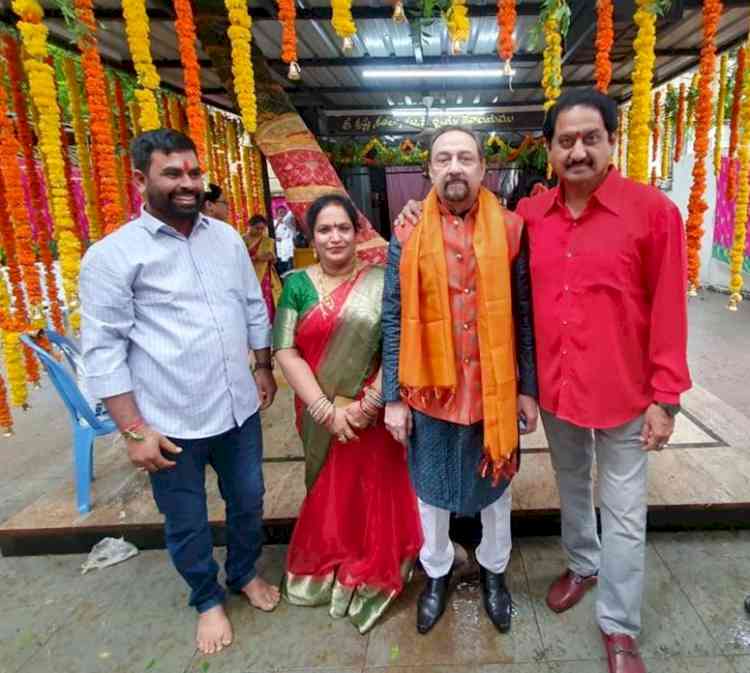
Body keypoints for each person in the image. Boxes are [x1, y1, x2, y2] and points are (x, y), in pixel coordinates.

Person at [79, 129, 280, 656]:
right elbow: (102, 351)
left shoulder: (227, 239)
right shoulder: (112, 256)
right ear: (142, 180)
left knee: (249, 500)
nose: (188, 183)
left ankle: (243, 573)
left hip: (237, 409)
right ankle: (206, 597)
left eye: (193, 171)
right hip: (169, 422)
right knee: (187, 518)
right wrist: (133, 431)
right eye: (173, 173)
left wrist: (263, 365)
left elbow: (252, 305)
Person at [514, 89, 691, 673]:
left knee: (622, 508)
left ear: (612, 143)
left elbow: (668, 309)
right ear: (549, 151)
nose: (579, 151)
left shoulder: (653, 213)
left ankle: (619, 625)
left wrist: (666, 398)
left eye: (591, 138)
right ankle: (582, 565)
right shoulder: (530, 218)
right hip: (560, 390)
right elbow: (471, 238)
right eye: (566, 141)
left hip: (626, 394)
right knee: (569, 484)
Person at [382, 126, 538, 635]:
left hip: (493, 395)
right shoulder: (405, 234)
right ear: (428, 170)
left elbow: (523, 314)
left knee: (496, 494)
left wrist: (527, 388)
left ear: (482, 169)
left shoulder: (512, 230)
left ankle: (495, 574)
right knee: (430, 496)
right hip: (431, 394)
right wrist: (393, 398)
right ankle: (436, 575)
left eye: (465, 158)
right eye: (443, 158)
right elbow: (392, 316)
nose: (454, 167)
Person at [273, 193, 422, 634]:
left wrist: (369, 405)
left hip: (372, 416)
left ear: (357, 234)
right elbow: (286, 350)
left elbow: (396, 344)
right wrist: (324, 411)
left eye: (343, 228)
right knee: (331, 490)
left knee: (374, 488)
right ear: (311, 237)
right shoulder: (296, 284)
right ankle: (333, 560)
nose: (335, 237)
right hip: (320, 416)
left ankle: (377, 561)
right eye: (324, 230)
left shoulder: (382, 279)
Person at [246, 214, 282, 322]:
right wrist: (256, 257)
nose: (260, 231)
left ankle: (268, 320)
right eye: (257, 228)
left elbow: (273, 260)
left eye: (262, 228)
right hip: (249, 275)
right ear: (250, 226)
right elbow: (239, 259)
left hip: (265, 276)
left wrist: (272, 258)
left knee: (266, 299)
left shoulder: (268, 241)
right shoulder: (242, 240)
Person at [274, 205, 296, 276]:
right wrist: (277, 223)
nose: (282, 214)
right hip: (278, 247)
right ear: (277, 213)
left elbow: (294, 231)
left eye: (284, 212)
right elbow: (270, 233)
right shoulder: (274, 222)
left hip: (289, 247)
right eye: (280, 212)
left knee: (290, 266)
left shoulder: (288, 222)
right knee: (281, 266)